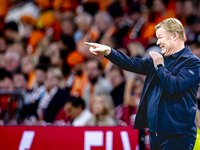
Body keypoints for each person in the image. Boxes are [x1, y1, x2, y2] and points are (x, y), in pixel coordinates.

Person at [85, 18, 200, 150]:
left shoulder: (192, 62)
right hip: (156, 133)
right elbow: (131, 63)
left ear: (174, 36)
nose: (158, 42)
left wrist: (160, 66)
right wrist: (109, 52)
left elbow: (176, 86)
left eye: (161, 37)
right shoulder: (159, 60)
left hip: (178, 135)